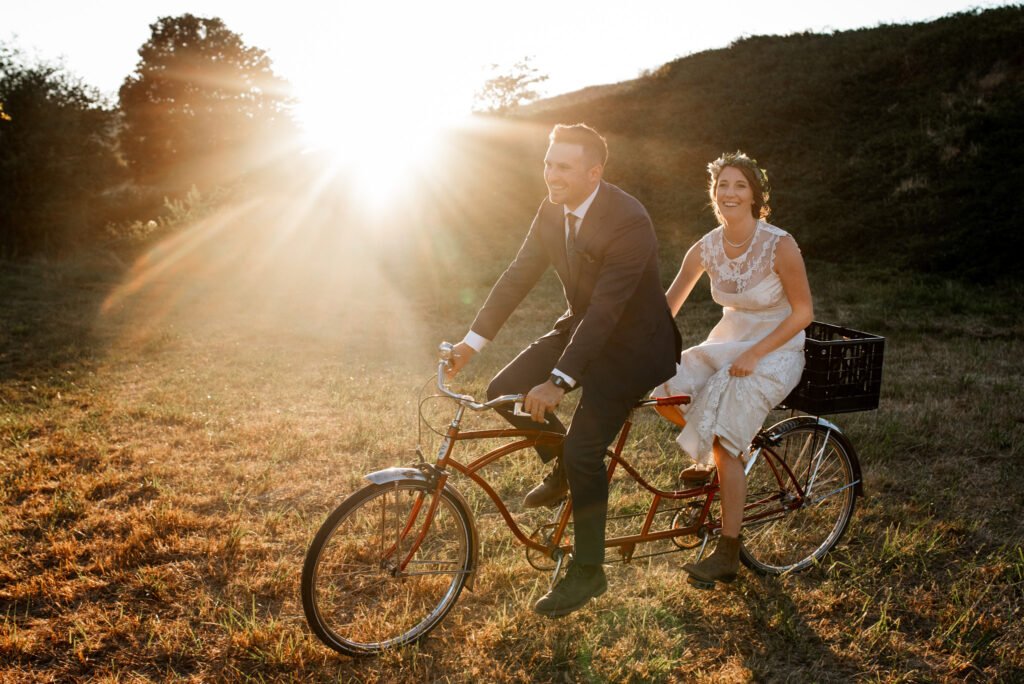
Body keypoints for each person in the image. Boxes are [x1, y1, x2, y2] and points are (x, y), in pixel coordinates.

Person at [447, 123, 682, 617]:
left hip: (633, 346)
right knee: (504, 388)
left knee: (584, 449)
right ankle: (560, 469)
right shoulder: (551, 208)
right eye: (548, 163)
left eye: (563, 167)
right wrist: (472, 342)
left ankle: (589, 571)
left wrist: (559, 381)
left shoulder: (629, 220)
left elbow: (608, 310)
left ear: (594, 172)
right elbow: (517, 276)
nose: (551, 175)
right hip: (582, 328)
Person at [653, 151, 813, 589]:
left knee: (725, 441)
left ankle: (727, 551)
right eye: (723, 185)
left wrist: (756, 354)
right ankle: (717, 459)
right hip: (729, 342)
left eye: (740, 185)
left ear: (756, 195)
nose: (729, 193)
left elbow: (803, 313)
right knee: (664, 384)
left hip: (776, 348)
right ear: (713, 193)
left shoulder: (780, 244)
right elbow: (668, 306)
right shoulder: (705, 246)